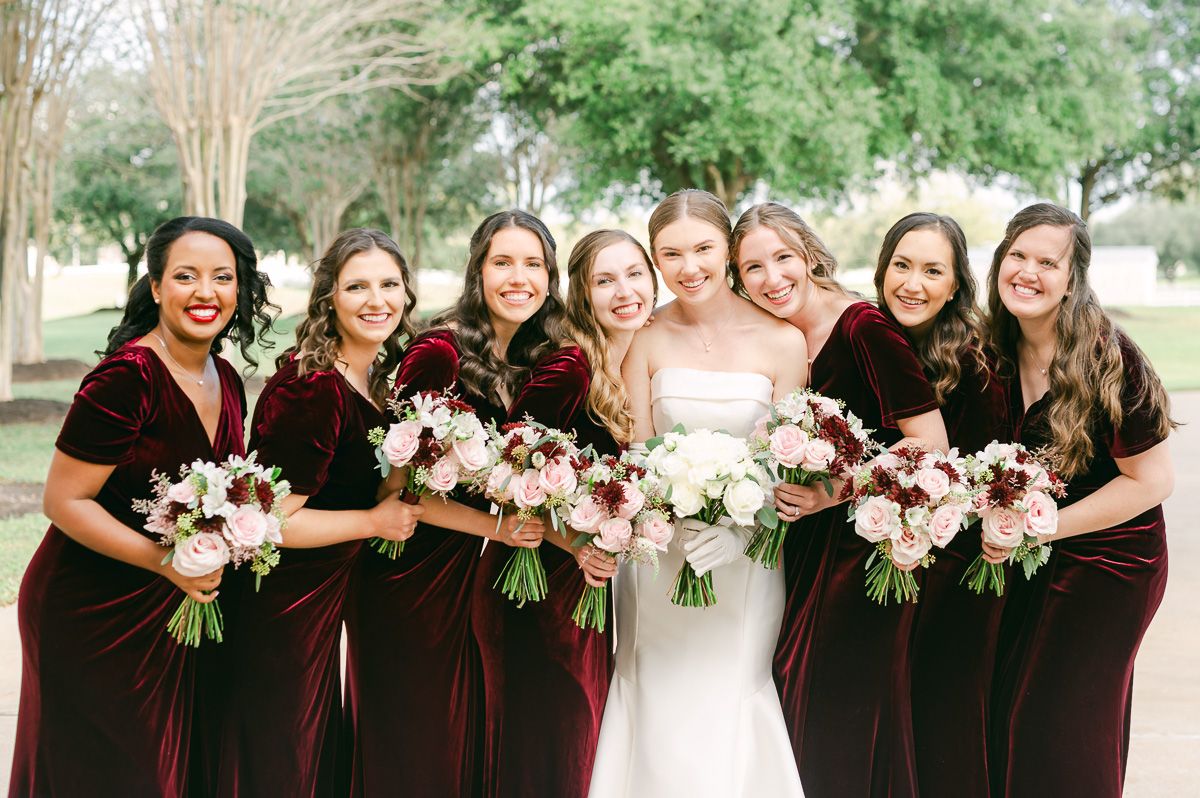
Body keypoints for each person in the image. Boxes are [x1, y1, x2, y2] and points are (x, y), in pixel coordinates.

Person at [10, 217, 276, 798]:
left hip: (173, 604)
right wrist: (164, 562)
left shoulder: (227, 378)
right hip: (92, 609)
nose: (205, 292)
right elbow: (62, 499)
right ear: (155, 287)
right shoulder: (127, 378)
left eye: (222, 278)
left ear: (239, 291)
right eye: (186, 276)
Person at [589, 189, 808, 798]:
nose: (689, 268)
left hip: (747, 559)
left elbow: (783, 460)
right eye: (671, 254)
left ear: (730, 250)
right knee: (654, 694)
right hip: (658, 558)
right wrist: (662, 522)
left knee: (730, 694)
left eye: (704, 248)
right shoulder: (647, 334)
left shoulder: (784, 342)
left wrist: (739, 531)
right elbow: (637, 448)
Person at [732, 202, 947, 797]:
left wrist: (832, 493)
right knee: (796, 711)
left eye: (782, 258)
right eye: (753, 268)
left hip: (855, 557)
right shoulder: (771, 334)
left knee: (836, 714)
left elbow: (929, 445)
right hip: (794, 553)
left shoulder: (862, 328)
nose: (772, 278)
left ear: (809, 255)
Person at [200, 229, 424, 797]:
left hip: (327, 592)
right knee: (281, 756)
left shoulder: (378, 378)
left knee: (313, 752)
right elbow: (271, 524)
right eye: (357, 287)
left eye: (389, 284)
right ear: (329, 300)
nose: (378, 301)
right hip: (280, 603)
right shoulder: (313, 389)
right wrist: (375, 524)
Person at [344, 210, 551, 796]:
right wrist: (500, 526)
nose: (518, 278)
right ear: (477, 271)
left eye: (532, 264)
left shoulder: (529, 357)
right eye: (502, 262)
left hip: (472, 572)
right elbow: (398, 492)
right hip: (411, 576)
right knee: (419, 745)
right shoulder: (438, 351)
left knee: (464, 744)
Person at [985, 203, 1174, 798]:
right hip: (1031, 552)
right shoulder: (991, 349)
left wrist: (1040, 529)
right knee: (1011, 711)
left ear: (1074, 278)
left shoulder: (1107, 357)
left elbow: (1152, 480)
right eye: (1018, 255)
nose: (1028, 272)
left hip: (1111, 561)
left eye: (1049, 262)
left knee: (1062, 720)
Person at [472, 229, 657, 797]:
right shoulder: (571, 367)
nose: (624, 291)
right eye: (605, 280)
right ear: (580, 294)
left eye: (635, 274)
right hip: (536, 586)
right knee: (552, 747)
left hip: (588, 584)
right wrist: (573, 540)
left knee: (581, 746)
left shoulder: (640, 360)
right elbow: (507, 471)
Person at [873, 212, 1009, 797]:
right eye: (901, 265)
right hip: (877, 568)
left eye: (933, 271)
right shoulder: (864, 338)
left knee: (944, 716)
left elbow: (979, 478)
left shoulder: (978, 364)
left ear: (955, 285)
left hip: (955, 574)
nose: (913, 283)